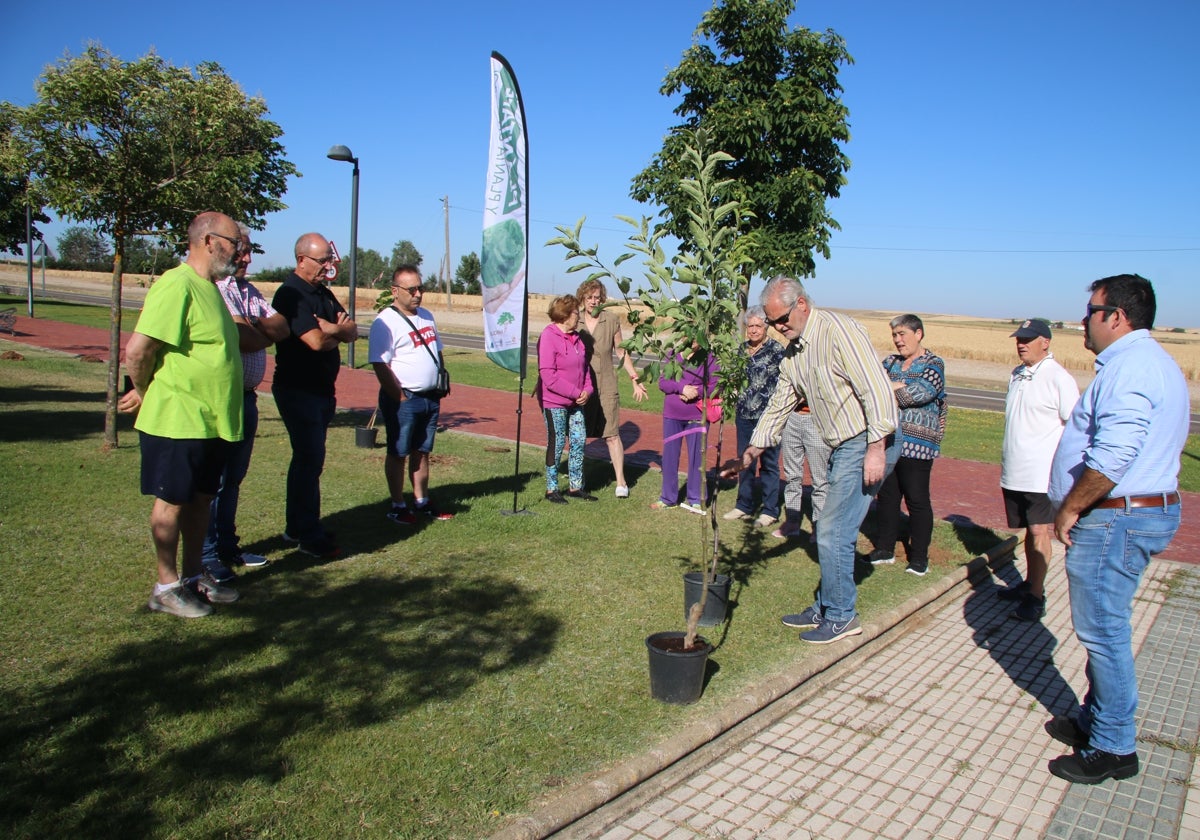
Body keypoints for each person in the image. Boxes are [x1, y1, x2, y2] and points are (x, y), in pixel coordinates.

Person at [1045, 274, 1188, 785]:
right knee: (1105, 627)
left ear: (1117, 316)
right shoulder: (1150, 364)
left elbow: (1114, 455)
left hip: (1116, 517)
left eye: (1091, 310)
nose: (1083, 319)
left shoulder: (1131, 369)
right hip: (1130, 513)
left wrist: (1070, 507)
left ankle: (1114, 747)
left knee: (1103, 632)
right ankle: (1097, 719)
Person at [740, 276, 898, 644]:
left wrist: (876, 448)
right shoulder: (794, 352)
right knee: (828, 526)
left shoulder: (839, 331)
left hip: (868, 437)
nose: (778, 329)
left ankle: (842, 616)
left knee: (833, 530)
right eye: (773, 322)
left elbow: (876, 388)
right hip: (844, 444)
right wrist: (753, 448)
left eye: (782, 320)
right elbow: (781, 401)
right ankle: (827, 606)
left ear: (802, 305)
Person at [118, 212, 245, 618]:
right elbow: (138, 351)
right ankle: (165, 586)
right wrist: (145, 391)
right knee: (171, 501)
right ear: (209, 241)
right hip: (178, 417)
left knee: (201, 500)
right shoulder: (177, 284)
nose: (240, 249)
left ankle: (192, 578)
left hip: (212, 420)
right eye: (234, 240)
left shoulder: (211, 288)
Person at [201, 224, 290, 583]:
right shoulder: (212, 289)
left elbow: (280, 327)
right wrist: (257, 329)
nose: (248, 258)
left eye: (250, 250)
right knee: (212, 481)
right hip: (220, 399)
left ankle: (227, 545)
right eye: (242, 250)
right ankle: (205, 555)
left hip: (247, 400)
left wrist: (254, 326)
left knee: (234, 479)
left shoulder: (247, 290)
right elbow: (243, 337)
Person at [271, 232, 358, 558]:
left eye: (329, 259)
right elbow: (314, 342)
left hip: (322, 391)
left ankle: (298, 527)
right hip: (297, 390)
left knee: (309, 461)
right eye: (323, 260)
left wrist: (332, 328)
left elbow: (352, 331)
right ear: (301, 260)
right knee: (309, 459)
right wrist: (333, 332)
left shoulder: (322, 292)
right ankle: (308, 535)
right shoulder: (290, 294)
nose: (329, 266)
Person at [996, 318, 1079, 621]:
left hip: (1041, 474)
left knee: (1039, 530)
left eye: (1028, 339)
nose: (1021, 344)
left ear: (1045, 341)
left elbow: (1075, 425)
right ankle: (1029, 583)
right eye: (1019, 338)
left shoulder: (1059, 378)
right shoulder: (1018, 374)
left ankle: (1036, 597)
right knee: (1028, 533)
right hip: (1015, 470)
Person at [369, 265, 455, 523]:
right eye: (412, 289)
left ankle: (421, 499)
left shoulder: (427, 316)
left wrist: (440, 375)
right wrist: (400, 397)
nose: (418, 294)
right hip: (404, 398)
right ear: (395, 291)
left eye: (421, 288)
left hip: (430, 397)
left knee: (422, 450)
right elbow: (380, 363)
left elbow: (436, 350)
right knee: (399, 451)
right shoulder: (386, 321)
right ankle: (397, 504)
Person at [870, 314, 947, 577]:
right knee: (888, 497)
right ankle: (884, 548)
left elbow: (922, 392)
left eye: (902, 334)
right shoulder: (890, 362)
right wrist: (895, 386)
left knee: (917, 500)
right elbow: (874, 387)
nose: (898, 340)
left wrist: (891, 389)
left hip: (918, 443)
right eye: (894, 335)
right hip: (889, 440)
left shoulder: (934, 363)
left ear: (919, 334)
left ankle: (919, 557)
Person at [576, 279, 648, 497]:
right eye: (589, 297)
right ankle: (576, 480)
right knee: (578, 434)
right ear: (582, 298)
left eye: (597, 297)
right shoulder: (574, 319)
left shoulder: (612, 319)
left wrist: (634, 377)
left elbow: (621, 351)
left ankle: (621, 482)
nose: (593, 301)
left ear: (603, 299)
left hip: (606, 381)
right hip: (580, 383)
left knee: (612, 434)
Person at [724, 306, 785, 527]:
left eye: (758, 326)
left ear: (766, 327)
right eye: (750, 326)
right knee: (744, 461)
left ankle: (770, 510)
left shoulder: (777, 351)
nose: (754, 330)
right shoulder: (741, 350)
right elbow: (732, 378)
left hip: (768, 418)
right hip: (744, 415)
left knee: (769, 464)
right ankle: (744, 506)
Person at [535, 295, 596, 503]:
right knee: (557, 441)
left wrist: (587, 390)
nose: (578, 317)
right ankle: (552, 489)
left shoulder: (577, 338)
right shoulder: (548, 336)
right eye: (576, 313)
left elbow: (584, 368)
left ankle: (575, 487)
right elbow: (548, 375)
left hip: (577, 403)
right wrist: (574, 392)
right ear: (565, 315)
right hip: (555, 403)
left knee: (578, 441)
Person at [653, 344, 719, 515]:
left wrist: (696, 392)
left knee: (697, 457)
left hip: (697, 416)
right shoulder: (673, 354)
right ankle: (668, 498)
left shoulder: (709, 357)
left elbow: (716, 384)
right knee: (669, 456)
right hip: (672, 414)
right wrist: (681, 388)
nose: (691, 340)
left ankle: (696, 499)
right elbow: (663, 382)